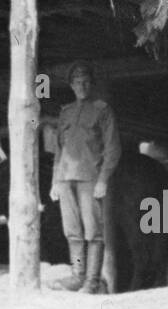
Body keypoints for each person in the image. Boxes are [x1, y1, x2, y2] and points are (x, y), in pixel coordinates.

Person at [49, 62, 121, 293]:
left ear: (92, 84)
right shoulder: (66, 112)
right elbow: (60, 150)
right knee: (72, 231)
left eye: (86, 81)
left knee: (93, 232)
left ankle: (92, 280)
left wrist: (103, 180)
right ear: (71, 85)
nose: (82, 85)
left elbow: (113, 149)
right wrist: (54, 182)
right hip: (65, 179)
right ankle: (77, 276)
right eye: (78, 82)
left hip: (90, 178)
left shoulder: (102, 110)